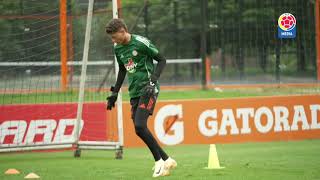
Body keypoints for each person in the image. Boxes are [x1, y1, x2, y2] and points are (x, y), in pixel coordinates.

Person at [105, 18, 177, 178]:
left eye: (114, 36)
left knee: (139, 125)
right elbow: (123, 71)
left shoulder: (141, 43)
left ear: (122, 31)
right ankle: (168, 159)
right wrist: (115, 93)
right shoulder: (118, 49)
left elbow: (162, 60)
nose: (113, 40)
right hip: (135, 92)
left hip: (149, 90)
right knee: (140, 129)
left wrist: (152, 82)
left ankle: (159, 162)